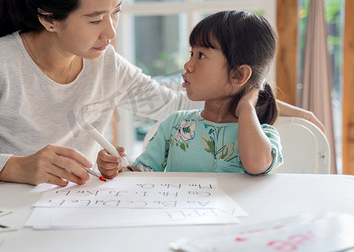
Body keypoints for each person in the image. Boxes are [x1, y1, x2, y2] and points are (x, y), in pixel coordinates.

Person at [0, 0, 320, 188]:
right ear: (49, 18)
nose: (111, 34)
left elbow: (185, 101)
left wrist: (261, 98)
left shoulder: (105, 63)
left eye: (117, 13)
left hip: (75, 216)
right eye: (95, 18)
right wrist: (15, 166)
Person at [97, 11, 284, 177]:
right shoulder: (174, 125)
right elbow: (141, 174)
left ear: (238, 75)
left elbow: (255, 163)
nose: (187, 65)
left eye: (201, 55)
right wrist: (117, 168)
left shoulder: (265, 135)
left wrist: (246, 108)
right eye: (191, 54)